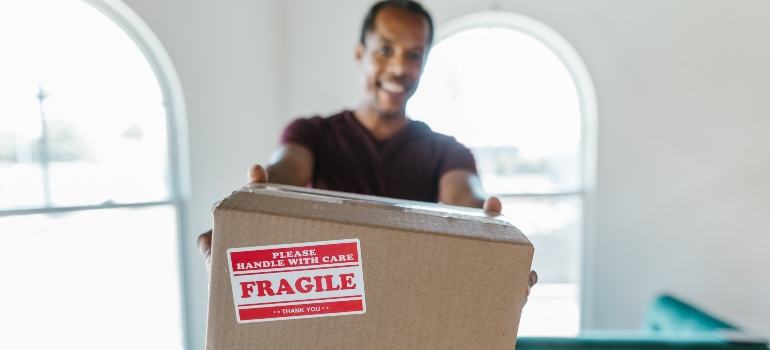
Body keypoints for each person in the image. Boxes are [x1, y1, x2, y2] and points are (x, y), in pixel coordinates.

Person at [197, 0, 537, 298]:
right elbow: (286, 172)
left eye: (414, 55)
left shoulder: (447, 152)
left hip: (405, 305)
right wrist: (252, 203)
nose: (399, 68)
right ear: (360, 54)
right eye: (385, 50)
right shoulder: (312, 134)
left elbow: (465, 198)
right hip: (330, 307)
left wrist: (494, 237)